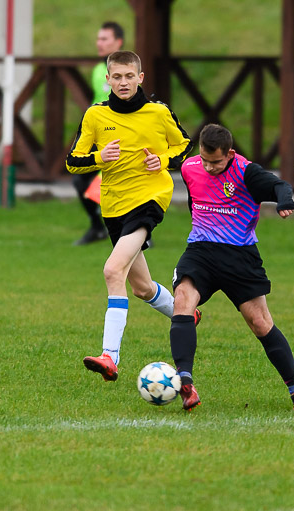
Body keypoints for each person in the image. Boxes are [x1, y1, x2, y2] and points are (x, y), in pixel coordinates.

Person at [66, 50, 194, 382]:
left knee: (113, 270)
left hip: (150, 199)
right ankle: (184, 313)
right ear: (108, 79)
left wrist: (162, 160)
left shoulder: (158, 112)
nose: (123, 82)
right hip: (113, 205)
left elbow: (184, 146)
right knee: (141, 288)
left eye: (129, 76)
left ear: (140, 78)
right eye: (117, 77)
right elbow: (73, 161)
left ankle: (110, 357)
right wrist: (100, 157)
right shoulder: (95, 115)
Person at [169, 124, 294, 413]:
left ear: (230, 153)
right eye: (205, 159)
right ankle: (185, 381)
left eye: (216, 162)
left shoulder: (246, 172)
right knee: (182, 300)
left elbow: (280, 186)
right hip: (200, 251)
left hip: (239, 257)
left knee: (260, 323)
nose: (209, 167)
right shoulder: (189, 168)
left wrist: (284, 201)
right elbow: (195, 201)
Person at [72, 21, 125, 246]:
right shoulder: (97, 70)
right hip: (97, 137)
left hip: (119, 138)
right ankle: (97, 227)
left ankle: (141, 233)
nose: (99, 43)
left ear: (118, 42)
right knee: (80, 180)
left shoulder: (125, 72)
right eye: (98, 38)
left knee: (122, 186)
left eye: (104, 39)